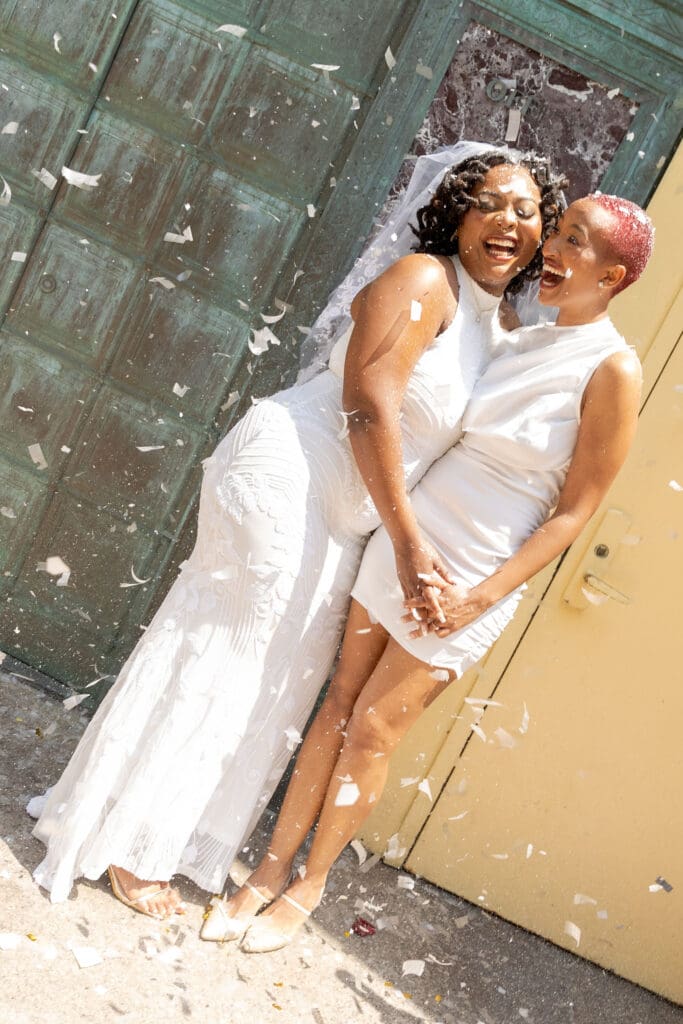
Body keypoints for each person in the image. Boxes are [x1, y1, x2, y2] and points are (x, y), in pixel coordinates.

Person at [31, 143, 566, 920]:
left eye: (525, 210)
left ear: (543, 230)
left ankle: (156, 832)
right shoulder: (423, 280)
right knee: (231, 650)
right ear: (458, 212)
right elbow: (368, 409)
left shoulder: (503, 324)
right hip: (289, 475)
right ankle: (124, 844)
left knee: (279, 679)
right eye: (488, 203)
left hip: (352, 514)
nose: (506, 221)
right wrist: (408, 543)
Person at [212, 192, 653, 952]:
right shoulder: (517, 336)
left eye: (575, 240)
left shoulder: (613, 369)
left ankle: (309, 885)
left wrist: (477, 600)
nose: (551, 246)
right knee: (337, 703)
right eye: (558, 231)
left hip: (477, 573)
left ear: (611, 276)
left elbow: (573, 513)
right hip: (408, 540)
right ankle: (268, 868)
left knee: (373, 731)